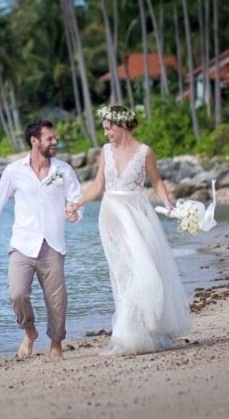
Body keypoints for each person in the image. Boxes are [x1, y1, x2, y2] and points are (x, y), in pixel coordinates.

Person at [67, 105, 191, 355]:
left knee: (144, 270)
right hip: (112, 215)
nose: (106, 133)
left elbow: (156, 181)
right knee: (122, 272)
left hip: (137, 214)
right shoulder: (105, 152)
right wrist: (77, 203)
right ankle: (133, 332)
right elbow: (98, 185)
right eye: (104, 129)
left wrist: (167, 203)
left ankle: (138, 332)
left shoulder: (145, 152)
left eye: (108, 128)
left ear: (121, 126)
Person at [0, 120, 83, 362]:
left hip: (53, 244)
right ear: (34, 141)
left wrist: (75, 212)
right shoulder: (14, 171)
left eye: (54, 138)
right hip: (22, 243)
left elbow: (76, 199)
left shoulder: (63, 170)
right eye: (49, 138)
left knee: (56, 299)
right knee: (17, 294)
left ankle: (56, 344)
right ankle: (29, 331)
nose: (55, 141)